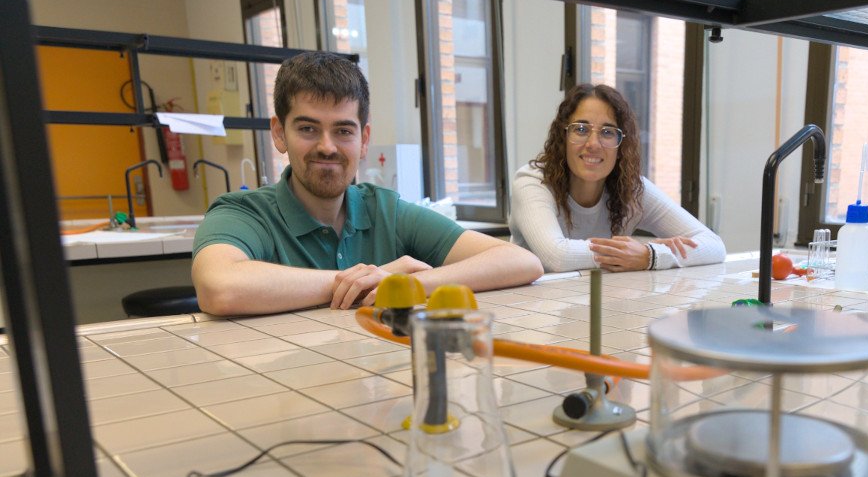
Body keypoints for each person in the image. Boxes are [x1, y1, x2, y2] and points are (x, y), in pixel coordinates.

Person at [192, 52, 542, 316]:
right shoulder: (243, 213)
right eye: (308, 128)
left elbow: (521, 262)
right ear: (279, 133)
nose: (327, 146)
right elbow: (219, 287)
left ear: (363, 140)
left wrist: (406, 285)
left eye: (343, 130)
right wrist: (367, 279)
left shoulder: (386, 210)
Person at [509, 83, 725, 273]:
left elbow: (714, 246)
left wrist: (649, 255)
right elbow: (557, 256)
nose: (593, 143)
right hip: (535, 310)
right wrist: (634, 251)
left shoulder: (632, 189)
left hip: (603, 303)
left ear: (622, 145)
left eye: (607, 132)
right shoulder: (532, 182)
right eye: (581, 129)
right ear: (563, 137)